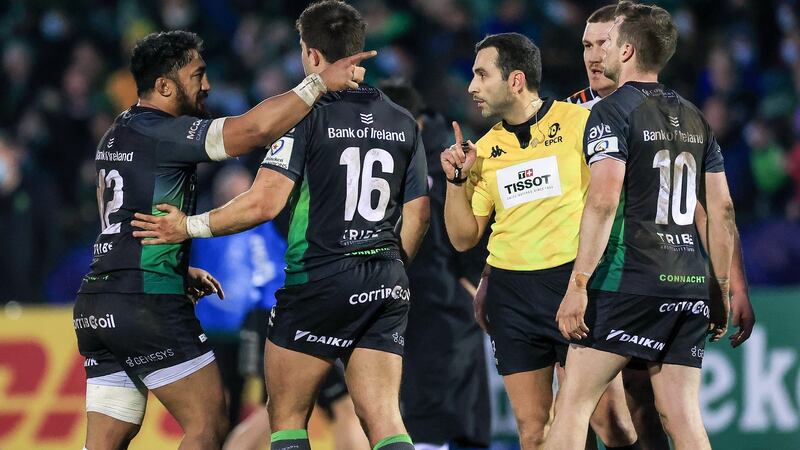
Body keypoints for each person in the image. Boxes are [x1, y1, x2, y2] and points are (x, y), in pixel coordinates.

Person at [131, 2, 430, 450]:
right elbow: (419, 213)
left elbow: (262, 204)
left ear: (310, 56)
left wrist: (188, 227)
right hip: (386, 281)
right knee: (385, 421)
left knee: (287, 416)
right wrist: (391, 268)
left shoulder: (303, 114)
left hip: (320, 280)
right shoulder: (404, 121)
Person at [73, 29, 373, 450]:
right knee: (209, 425)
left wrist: (177, 268)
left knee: (105, 441)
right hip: (147, 302)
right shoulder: (164, 133)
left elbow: (124, 221)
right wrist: (318, 82)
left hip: (99, 304)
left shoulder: (118, 133)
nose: (207, 85)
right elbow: (252, 131)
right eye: (197, 75)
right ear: (164, 86)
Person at [545, 3, 737, 450]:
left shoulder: (611, 112)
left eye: (608, 43)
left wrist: (578, 283)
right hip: (689, 281)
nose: (601, 53)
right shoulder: (696, 117)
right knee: (683, 419)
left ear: (627, 49)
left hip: (629, 280)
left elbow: (604, 198)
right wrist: (720, 287)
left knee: (573, 405)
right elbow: (722, 210)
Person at [440, 32, 638, 450]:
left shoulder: (581, 123)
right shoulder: (485, 148)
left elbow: (615, 197)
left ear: (515, 81)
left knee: (611, 423)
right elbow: (463, 238)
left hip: (573, 286)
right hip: (512, 296)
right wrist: (456, 183)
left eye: (481, 74)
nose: (471, 87)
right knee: (534, 432)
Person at [380, 80, 491, 450]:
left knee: (437, 414)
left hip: (440, 302)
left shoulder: (449, 157)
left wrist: (473, 279)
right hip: (396, 298)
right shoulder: (389, 154)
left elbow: (479, 221)